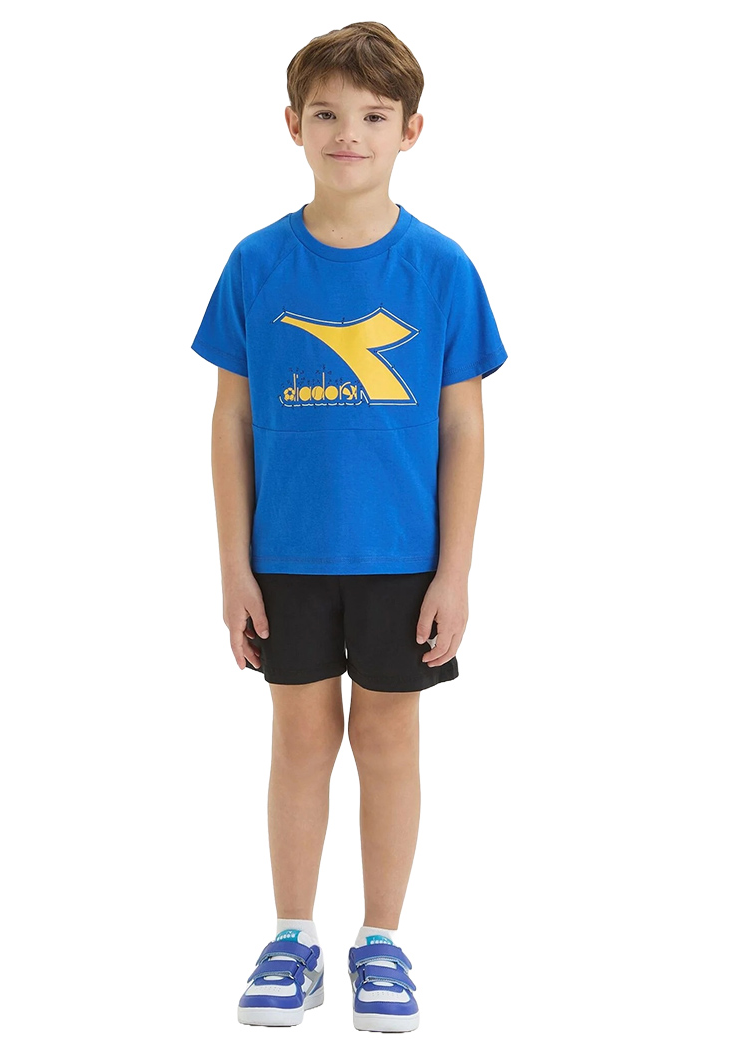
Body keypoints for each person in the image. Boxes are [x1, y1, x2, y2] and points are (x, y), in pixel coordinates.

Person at [191, 22, 507, 1033]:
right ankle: (292, 938)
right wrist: (233, 566)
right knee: (298, 740)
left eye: (374, 116)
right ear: (292, 124)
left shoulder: (442, 270)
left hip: (401, 559)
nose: (348, 134)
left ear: (411, 131)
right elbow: (230, 421)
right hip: (284, 557)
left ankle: (382, 942)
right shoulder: (256, 264)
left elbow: (464, 427)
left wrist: (454, 571)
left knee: (388, 739)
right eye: (327, 113)